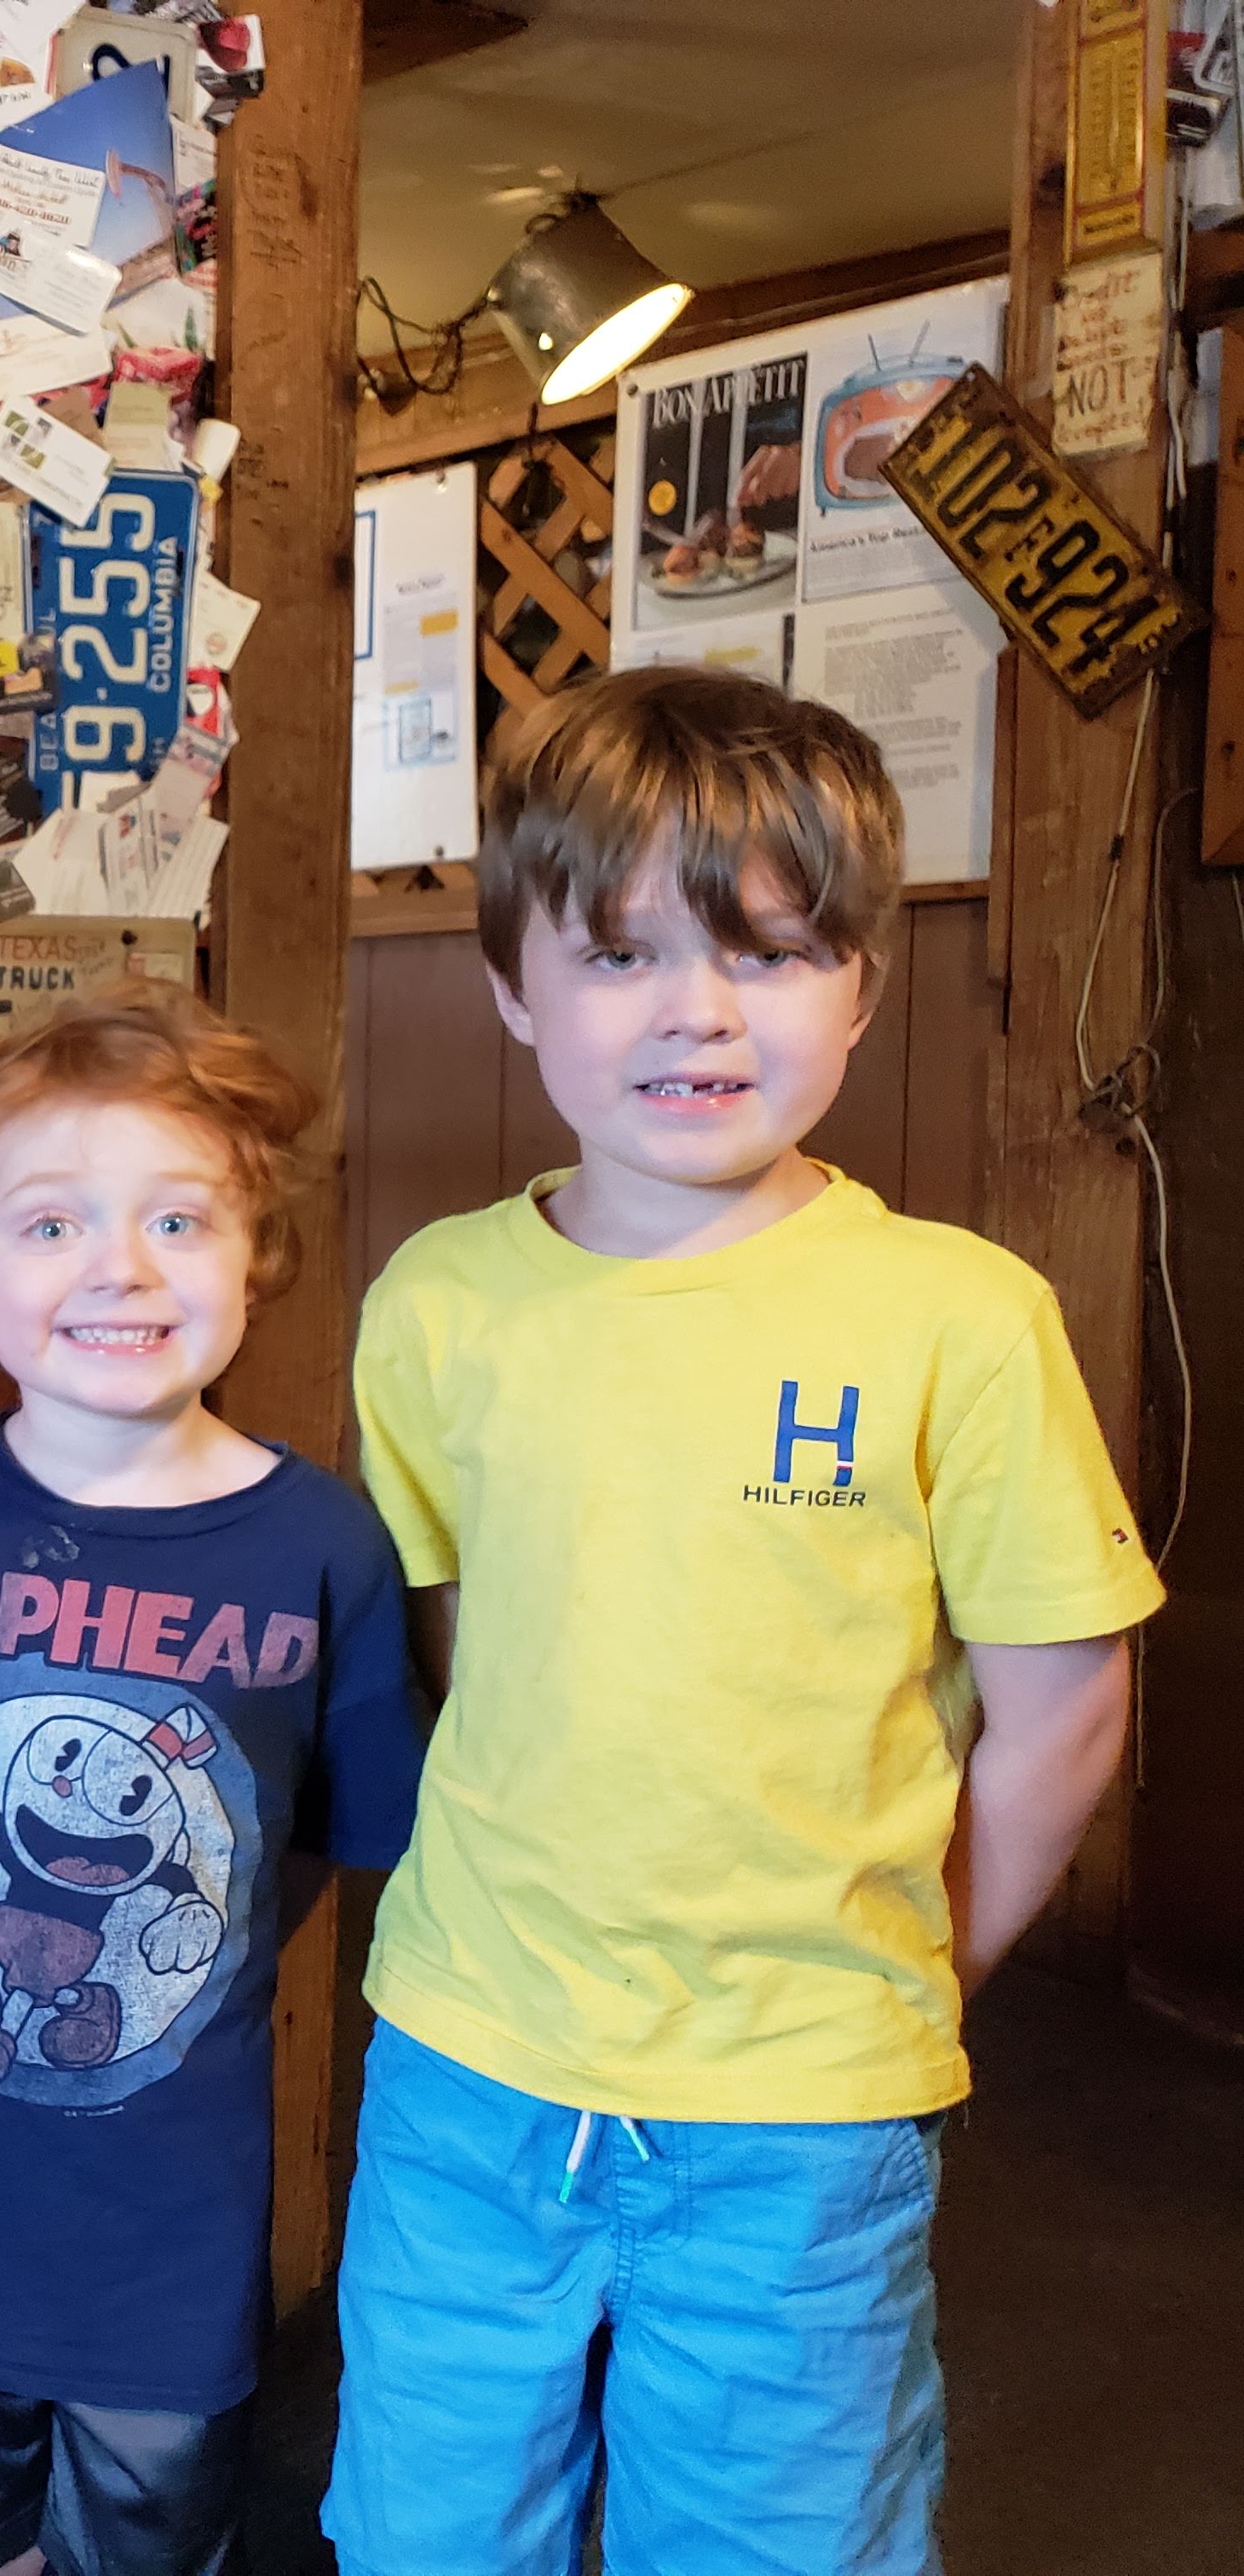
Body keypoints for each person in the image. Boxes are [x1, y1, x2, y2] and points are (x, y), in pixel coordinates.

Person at [323, 665, 1166, 2576]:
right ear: (515, 987)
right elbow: (458, 1652)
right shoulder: (437, 1303)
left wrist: (914, 1970)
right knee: (428, 2534)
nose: (697, 1011)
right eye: (621, 954)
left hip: (804, 2113)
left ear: (862, 986)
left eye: (771, 953)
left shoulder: (962, 1318)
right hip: (469, 2066)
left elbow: (1064, 1709)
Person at [0, 980, 425, 2576]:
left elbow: (325, 1845)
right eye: (52, 1226)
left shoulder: (325, 1547)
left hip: (171, 2223)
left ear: (255, 1258)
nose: (123, 1267)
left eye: (180, 1218)